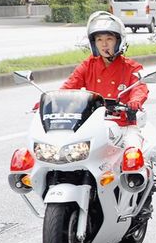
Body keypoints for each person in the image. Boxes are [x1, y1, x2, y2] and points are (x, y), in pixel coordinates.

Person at [60, 11, 148, 150]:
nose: (104, 44)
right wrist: (48, 102)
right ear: (94, 43)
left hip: (124, 127)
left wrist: (135, 101)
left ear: (118, 41)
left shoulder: (131, 67)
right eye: (99, 39)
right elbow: (69, 86)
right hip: (92, 127)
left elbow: (139, 87)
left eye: (109, 39)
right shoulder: (88, 65)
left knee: (132, 155)